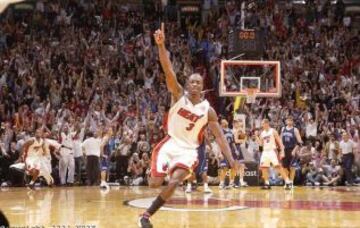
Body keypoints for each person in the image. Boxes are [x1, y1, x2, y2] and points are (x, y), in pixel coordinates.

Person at [138, 23, 237, 228]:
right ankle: (154, 173)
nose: (194, 85)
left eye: (198, 83)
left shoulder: (208, 110)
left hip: (189, 151)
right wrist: (161, 45)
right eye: (191, 82)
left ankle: (146, 216)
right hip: (170, 143)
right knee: (154, 183)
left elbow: (219, 137)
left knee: (174, 182)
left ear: (202, 87)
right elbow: (168, 69)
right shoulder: (178, 95)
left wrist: (232, 160)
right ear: (187, 84)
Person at [255, 119, 292, 190]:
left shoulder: (273, 131)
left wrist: (282, 151)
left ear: (267, 123)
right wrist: (257, 138)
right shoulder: (262, 133)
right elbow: (261, 145)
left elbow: (279, 141)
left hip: (272, 151)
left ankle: (287, 182)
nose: (262, 125)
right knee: (264, 167)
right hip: (265, 151)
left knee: (277, 166)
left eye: (263, 124)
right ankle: (267, 183)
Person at [280, 116, 303, 189]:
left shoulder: (295, 130)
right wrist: (280, 149)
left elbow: (300, 142)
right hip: (284, 150)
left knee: (292, 167)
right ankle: (287, 182)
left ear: (293, 121)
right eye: (288, 120)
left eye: (291, 120)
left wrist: (294, 150)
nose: (289, 121)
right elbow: (280, 140)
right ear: (286, 121)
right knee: (284, 167)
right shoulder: (283, 129)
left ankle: (291, 183)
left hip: (292, 149)